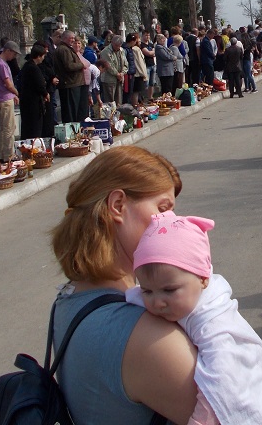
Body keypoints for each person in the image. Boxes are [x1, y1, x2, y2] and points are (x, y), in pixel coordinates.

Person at [50, 146, 198, 424]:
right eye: (163, 208)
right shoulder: (146, 338)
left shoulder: (72, 295)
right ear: (118, 205)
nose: (175, 222)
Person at [126, 212, 262, 425]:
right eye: (147, 291)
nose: (157, 302)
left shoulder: (216, 325)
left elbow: (224, 382)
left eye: (169, 290)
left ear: (203, 279)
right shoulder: (183, 295)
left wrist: (201, 420)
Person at [0, 40, 21, 161]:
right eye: (13, 54)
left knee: (4, 129)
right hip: (4, 99)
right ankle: (9, 155)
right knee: (9, 128)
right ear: (7, 51)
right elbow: (8, 84)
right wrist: (16, 92)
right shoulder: (1, 64)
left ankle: (2, 155)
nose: (13, 57)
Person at [19, 44, 50, 140]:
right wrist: (45, 93)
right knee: (34, 128)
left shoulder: (27, 66)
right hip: (33, 103)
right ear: (39, 56)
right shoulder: (33, 68)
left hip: (26, 101)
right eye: (43, 56)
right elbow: (39, 84)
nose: (43, 58)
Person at [55, 31, 86, 124]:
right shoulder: (64, 50)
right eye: (71, 38)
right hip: (69, 84)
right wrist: (81, 65)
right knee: (70, 112)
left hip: (73, 83)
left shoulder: (67, 49)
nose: (73, 40)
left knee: (74, 111)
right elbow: (69, 66)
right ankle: (71, 132)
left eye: (74, 38)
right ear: (64, 38)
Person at [99, 34, 128, 106]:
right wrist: (117, 74)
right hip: (109, 80)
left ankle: (118, 116)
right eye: (116, 45)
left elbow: (126, 64)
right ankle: (110, 116)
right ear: (112, 43)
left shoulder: (122, 51)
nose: (118, 47)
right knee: (110, 102)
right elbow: (109, 65)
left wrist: (122, 73)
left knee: (118, 101)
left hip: (120, 79)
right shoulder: (105, 52)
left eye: (119, 46)